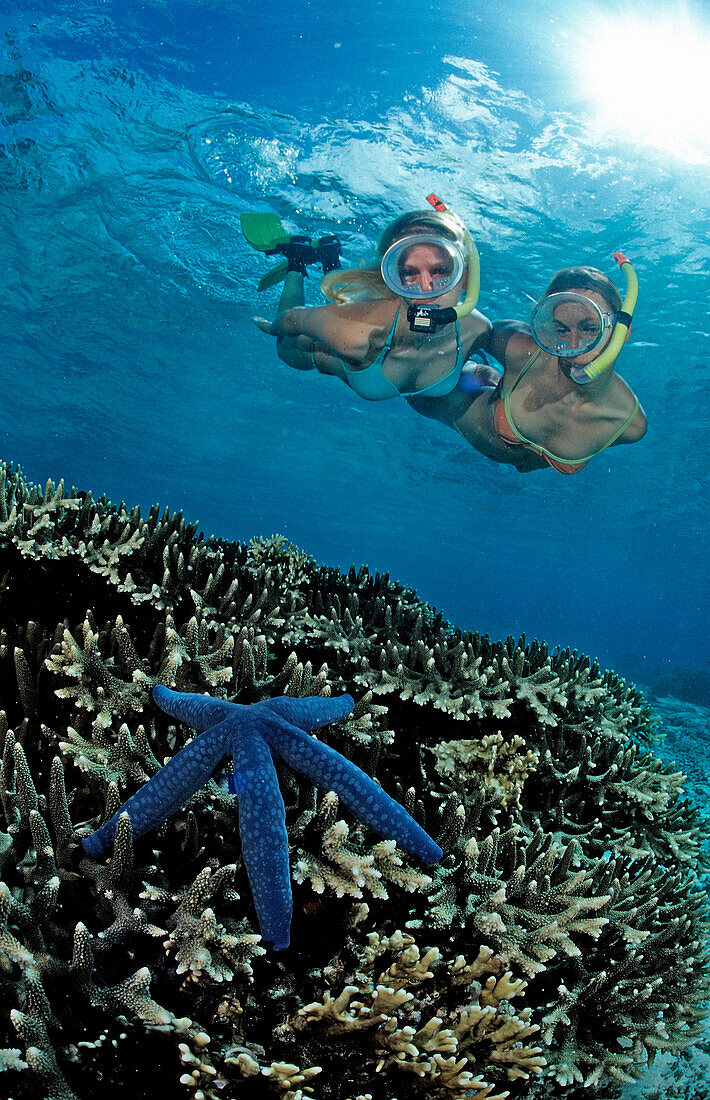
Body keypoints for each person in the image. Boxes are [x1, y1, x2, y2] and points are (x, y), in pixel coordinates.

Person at [408, 257, 647, 473]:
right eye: (561, 330)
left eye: (590, 328)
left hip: (499, 407)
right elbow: (473, 328)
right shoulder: (523, 349)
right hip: (453, 396)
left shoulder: (630, 426)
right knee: (412, 384)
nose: (574, 346)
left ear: (622, 333)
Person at [248, 196, 491, 401]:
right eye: (408, 273)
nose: (426, 289)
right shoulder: (358, 334)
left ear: (466, 275)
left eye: (441, 271)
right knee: (284, 345)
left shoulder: (478, 330)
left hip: (354, 318)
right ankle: (296, 260)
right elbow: (293, 319)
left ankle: (329, 256)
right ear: (392, 278)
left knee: (341, 303)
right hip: (308, 349)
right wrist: (273, 327)